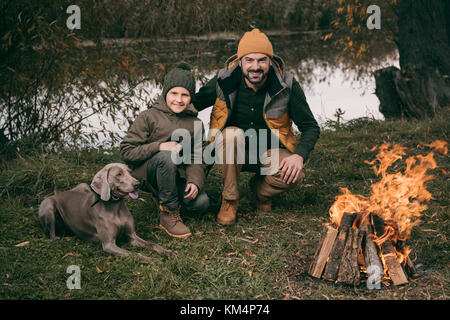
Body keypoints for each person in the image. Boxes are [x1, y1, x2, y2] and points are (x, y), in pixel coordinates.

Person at [192, 28, 320, 225]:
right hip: (233, 151)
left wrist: (298, 155)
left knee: (294, 176)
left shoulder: (287, 84)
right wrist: (162, 111)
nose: (256, 66)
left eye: (262, 60)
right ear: (240, 61)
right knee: (231, 134)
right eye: (249, 60)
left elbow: (310, 126)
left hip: (271, 152)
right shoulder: (222, 80)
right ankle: (229, 200)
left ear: (271, 60)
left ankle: (260, 191)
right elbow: (191, 104)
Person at [120, 62, 209, 239]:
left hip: (176, 174)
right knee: (167, 156)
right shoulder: (148, 116)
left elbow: (197, 156)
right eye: (174, 93)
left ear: (191, 97)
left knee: (201, 204)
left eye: (185, 95)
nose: (179, 99)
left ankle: (165, 193)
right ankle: (168, 212)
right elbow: (127, 151)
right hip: (147, 173)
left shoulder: (195, 123)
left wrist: (194, 180)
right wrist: (159, 146)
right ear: (165, 93)